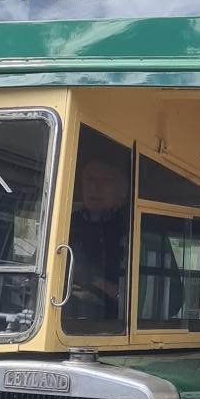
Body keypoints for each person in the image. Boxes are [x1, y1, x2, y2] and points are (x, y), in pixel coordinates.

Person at [65, 135, 131, 326]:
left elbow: (170, 298)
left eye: (105, 180)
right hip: (65, 322)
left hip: (115, 329)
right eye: (90, 179)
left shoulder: (134, 227)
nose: (96, 187)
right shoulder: (66, 226)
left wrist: (114, 291)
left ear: (121, 190)